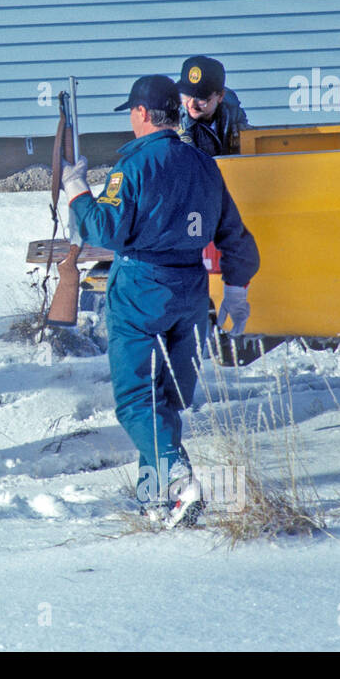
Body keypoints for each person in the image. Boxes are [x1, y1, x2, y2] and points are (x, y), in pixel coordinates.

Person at [61, 74, 260, 527]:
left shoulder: (132, 168)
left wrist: (76, 191)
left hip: (140, 291)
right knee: (166, 401)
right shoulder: (205, 166)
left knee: (136, 399)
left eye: (131, 111)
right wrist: (236, 288)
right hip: (192, 293)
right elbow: (234, 235)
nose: (130, 119)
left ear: (144, 114)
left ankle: (178, 479)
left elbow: (105, 231)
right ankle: (157, 497)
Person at [175, 55, 251, 157]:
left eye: (201, 98)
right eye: (187, 95)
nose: (191, 104)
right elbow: (189, 162)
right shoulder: (175, 120)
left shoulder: (231, 109)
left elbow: (247, 140)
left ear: (220, 96)